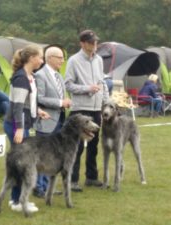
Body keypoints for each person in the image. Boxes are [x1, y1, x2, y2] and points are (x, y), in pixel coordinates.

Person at [3, 44, 50, 213]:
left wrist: (38, 111)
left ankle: (15, 199)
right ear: (31, 58)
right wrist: (19, 129)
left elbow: (27, 102)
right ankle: (17, 201)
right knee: (22, 163)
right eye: (41, 57)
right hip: (16, 125)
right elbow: (16, 106)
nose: (42, 60)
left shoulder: (31, 77)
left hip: (22, 123)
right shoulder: (21, 78)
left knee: (21, 162)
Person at [65, 29, 109, 192]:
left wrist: (105, 103)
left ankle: (91, 177)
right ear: (82, 43)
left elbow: (102, 83)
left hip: (97, 109)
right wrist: (87, 88)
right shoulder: (73, 61)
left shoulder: (98, 60)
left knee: (94, 145)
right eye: (91, 42)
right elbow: (68, 85)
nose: (94, 44)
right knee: (77, 146)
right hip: (80, 109)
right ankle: (73, 179)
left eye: (95, 41)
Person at [33, 46, 72, 198]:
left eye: (63, 57)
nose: (62, 61)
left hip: (60, 120)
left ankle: (49, 186)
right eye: (60, 57)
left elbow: (62, 96)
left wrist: (66, 102)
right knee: (43, 155)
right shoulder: (40, 76)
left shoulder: (59, 76)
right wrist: (61, 103)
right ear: (50, 58)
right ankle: (38, 187)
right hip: (46, 121)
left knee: (54, 156)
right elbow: (40, 98)